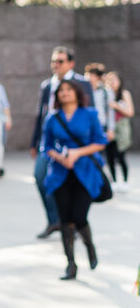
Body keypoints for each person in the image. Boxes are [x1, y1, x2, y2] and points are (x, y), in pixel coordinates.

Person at [41, 80, 107, 280]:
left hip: (85, 173)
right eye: (61, 91)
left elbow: (101, 142)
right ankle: (71, 263)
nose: (65, 93)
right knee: (64, 220)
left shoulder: (90, 115)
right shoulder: (52, 118)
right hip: (60, 174)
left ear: (77, 93)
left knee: (79, 217)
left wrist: (77, 153)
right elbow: (46, 145)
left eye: (69, 90)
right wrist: (60, 157)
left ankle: (89, 246)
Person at [31, 47, 94, 240]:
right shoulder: (46, 85)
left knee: (75, 186)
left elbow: (91, 114)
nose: (55, 65)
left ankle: (73, 222)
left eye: (60, 61)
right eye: (53, 61)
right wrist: (35, 141)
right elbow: (41, 114)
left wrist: (86, 148)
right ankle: (54, 220)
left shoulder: (83, 83)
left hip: (76, 145)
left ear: (70, 63)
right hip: (50, 143)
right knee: (41, 178)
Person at [104, 71, 134, 192]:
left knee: (120, 156)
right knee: (109, 156)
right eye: (110, 80)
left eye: (114, 80)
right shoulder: (105, 94)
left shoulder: (124, 94)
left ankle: (125, 181)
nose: (112, 83)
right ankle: (114, 181)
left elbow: (130, 112)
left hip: (121, 129)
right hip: (109, 128)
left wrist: (117, 106)